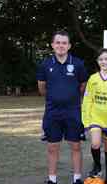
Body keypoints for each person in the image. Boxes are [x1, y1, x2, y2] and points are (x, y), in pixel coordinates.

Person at [36, 30, 88, 184]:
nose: (61, 45)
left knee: (76, 146)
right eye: (58, 42)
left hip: (73, 111)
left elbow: (83, 85)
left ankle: (77, 179)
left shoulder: (78, 64)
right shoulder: (45, 64)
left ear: (69, 45)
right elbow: (41, 88)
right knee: (52, 147)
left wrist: (69, 97)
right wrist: (55, 97)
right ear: (52, 45)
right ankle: (52, 180)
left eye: (64, 43)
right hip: (53, 112)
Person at [81, 48, 107, 184]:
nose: (104, 61)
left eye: (106, 59)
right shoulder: (93, 78)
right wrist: (86, 119)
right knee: (95, 143)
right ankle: (98, 165)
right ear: (97, 61)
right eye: (101, 59)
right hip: (95, 118)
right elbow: (87, 100)